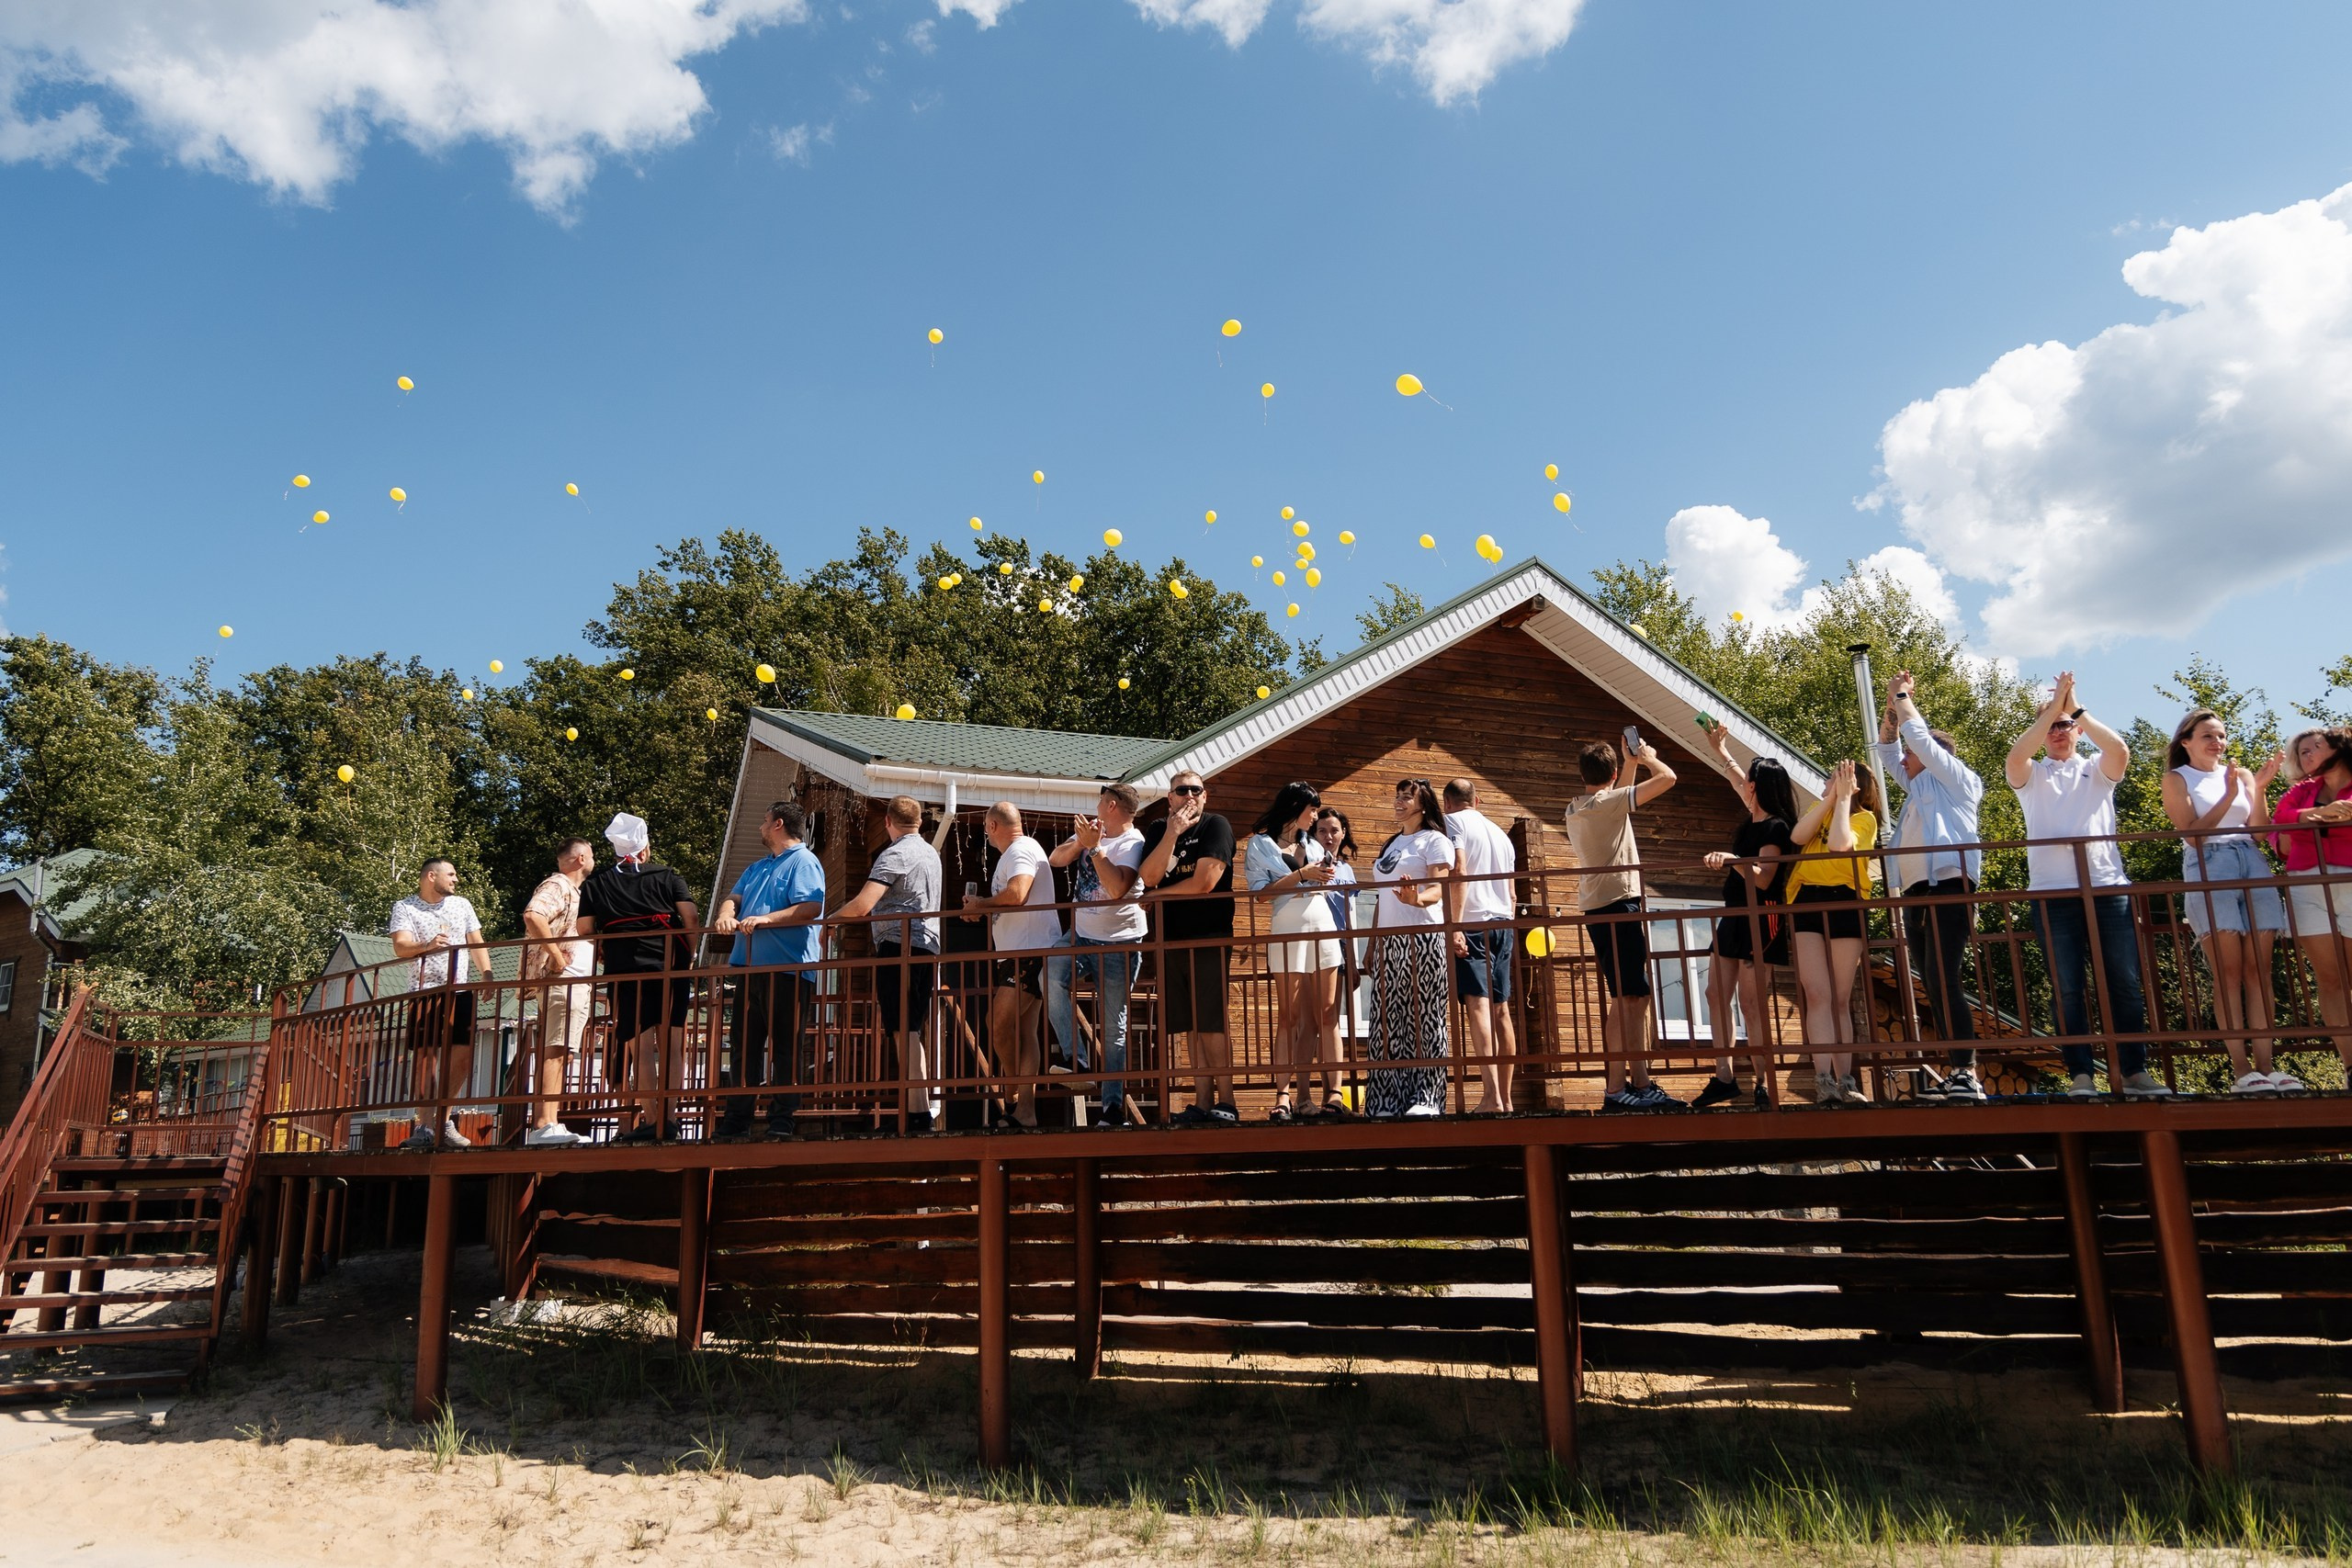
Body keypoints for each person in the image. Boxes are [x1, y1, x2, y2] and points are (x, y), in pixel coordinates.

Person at [2005, 673, 2171, 1100]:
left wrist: (2073, 705)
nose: (2058, 732)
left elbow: (2119, 749)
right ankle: (2081, 1075)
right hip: (2051, 893)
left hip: (2107, 889)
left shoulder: (2097, 770)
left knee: (2124, 982)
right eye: (2051, 726)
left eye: (2066, 725)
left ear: (2079, 729)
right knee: (2068, 988)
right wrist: (2049, 712)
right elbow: (2015, 756)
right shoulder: (2034, 776)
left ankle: (2135, 1071)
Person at [2165, 710, 2296, 1093]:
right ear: (2186, 741)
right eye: (2207, 735)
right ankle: (2242, 1071)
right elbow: (2192, 836)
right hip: (2210, 864)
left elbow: (2256, 832)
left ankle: (2268, 1069)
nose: (2217, 742)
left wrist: (2259, 788)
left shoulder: (2241, 776)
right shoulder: (2177, 778)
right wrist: (2227, 794)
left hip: (2251, 861)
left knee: (2260, 971)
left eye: (2221, 735)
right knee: (2230, 973)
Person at [1872, 671, 1988, 1100]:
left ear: (1935, 755)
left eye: (1913, 752)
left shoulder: (1959, 782)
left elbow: (1915, 739)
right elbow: (1887, 750)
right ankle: (1958, 1073)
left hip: (1949, 889)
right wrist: (1889, 709)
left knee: (1945, 977)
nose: (1905, 757)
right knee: (1933, 982)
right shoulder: (1917, 786)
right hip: (1919, 893)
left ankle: (1967, 1074)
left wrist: (1903, 696)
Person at [1561, 735, 1679, 1111]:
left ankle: (1637, 1083)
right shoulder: (1609, 802)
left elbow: (1618, 798)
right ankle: (1619, 1088)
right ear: (1611, 774)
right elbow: (1669, 778)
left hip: (1599, 907)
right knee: (1632, 996)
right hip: (1618, 904)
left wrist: (1626, 765)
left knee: (1628, 996)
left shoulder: (1578, 807)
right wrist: (1647, 759)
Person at [576, 813, 701, 1142]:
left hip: (623, 968)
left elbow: (585, 929)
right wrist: (688, 957)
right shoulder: (667, 876)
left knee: (640, 1046)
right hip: (668, 965)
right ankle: (670, 1120)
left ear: (616, 851)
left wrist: (604, 948)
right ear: (644, 849)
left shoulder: (595, 884)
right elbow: (690, 918)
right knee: (673, 1044)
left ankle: (650, 1119)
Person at [1693, 721, 1797, 1110]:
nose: (1744, 784)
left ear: (1759, 786)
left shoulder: (1776, 827)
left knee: (1752, 1003)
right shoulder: (1752, 814)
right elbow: (1735, 776)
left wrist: (1734, 860)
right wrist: (1719, 748)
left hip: (1761, 915)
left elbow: (1766, 879)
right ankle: (1724, 1077)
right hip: (1734, 913)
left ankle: (1764, 1082)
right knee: (1715, 993)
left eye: (1750, 781)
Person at [711, 802, 827, 1140]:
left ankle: (782, 1121)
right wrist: (725, 914)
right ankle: (737, 1120)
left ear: (778, 824)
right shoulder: (758, 866)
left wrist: (764, 919)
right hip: (749, 969)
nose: (760, 828)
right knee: (743, 1047)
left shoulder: (804, 861)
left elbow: (810, 907)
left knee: (785, 1048)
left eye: (764, 821)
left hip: (787, 970)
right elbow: (733, 897)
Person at [831, 795, 945, 1131]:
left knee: (902, 1029)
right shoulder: (931, 854)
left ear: (887, 822)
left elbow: (863, 905)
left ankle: (917, 1115)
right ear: (920, 822)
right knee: (910, 1031)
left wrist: (828, 923)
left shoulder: (894, 854)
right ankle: (918, 1111)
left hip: (898, 946)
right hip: (927, 946)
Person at [1045, 784, 1149, 1125]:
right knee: (1050, 976)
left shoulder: (1134, 842)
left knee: (1113, 1027)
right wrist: (1081, 844)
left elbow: (1118, 889)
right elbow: (1055, 859)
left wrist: (1097, 851)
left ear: (1112, 805)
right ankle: (1079, 1062)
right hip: (1080, 934)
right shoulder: (1094, 831)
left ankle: (1112, 1108)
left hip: (1119, 942)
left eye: (1100, 802)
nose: (1096, 806)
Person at [1139, 772, 1238, 1126]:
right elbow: (1149, 875)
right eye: (1182, 790)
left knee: (1211, 1022)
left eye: (1197, 790)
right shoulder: (1157, 830)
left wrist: (1157, 896)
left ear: (1205, 796)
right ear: (1170, 799)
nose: (1190, 796)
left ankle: (1227, 1102)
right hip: (1171, 939)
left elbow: (1205, 882)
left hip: (1209, 935)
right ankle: (1202, 1103)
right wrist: (1171, 832)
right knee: (1191, 1026)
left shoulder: (1217, 826)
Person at [1243, 782, 1342, 1122]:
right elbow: (1261, 894)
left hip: (1322, 922)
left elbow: (1324, 881)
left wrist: (1320, 876)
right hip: (1287, 927)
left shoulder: (1312, 844)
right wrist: (1301, 874)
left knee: (1328, 1013)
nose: (1315, 816)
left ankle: (1335, 1094)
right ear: (1295, 806)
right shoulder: (1259, 844)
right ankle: (1282, 1097)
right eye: (1312, 809)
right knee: (1289, 1016)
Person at [1783, 761, 1878, 1106]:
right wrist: (1829, 800)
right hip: (1808, 899)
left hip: (1845, 902)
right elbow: (1797, 836)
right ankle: (1823, 1079)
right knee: (1818, 994)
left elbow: (1840, 844)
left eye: (1834, 778)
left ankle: (1845, 1080)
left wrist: (1842, 802)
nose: (1827, 782)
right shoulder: (1818, 809)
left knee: (1839, 998)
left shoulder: (1864, 818)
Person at [964, 802, 1061, 1127]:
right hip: (1020, 952)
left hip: (1028, 952)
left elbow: (1018, 893)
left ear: (992, 826)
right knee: (1025, 1031)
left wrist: (982, 903)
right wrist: (983, 908)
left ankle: (1012, 1095)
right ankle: (1026, 1112)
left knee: (998, 1023)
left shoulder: (1020, 849)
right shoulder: (1022, 849)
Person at [390, 856, 495, 1151]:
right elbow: (400, 946)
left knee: (461, 1057)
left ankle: (443, 1123)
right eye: (451, 874)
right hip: (424, 991)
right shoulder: (405, 906)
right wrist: (426, 946)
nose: (456, 879)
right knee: (426, 1058)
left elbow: (476, 941)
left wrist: (486, 974)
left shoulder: (462, 905)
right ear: (431, 876)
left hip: (459, 991)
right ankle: (423, 1126)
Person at [1367, 778, 1455, 1118]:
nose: (1399, 801)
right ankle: (1386, 1101)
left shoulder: (1434, 840)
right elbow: (1381, 898)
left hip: (1423, 936)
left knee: (1425, 1017)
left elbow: (1439, 888)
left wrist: (1415, 899)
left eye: (1407, 797)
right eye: (1397, 795)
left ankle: (1427, 1098)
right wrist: (1372, 944)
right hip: (1389, 940)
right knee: (1388, 1021)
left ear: (1424, 804)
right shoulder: (1391, 844)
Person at [2272, 728, 2352, 1078]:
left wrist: (2309, 821)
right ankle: (2351, 1066)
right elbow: (2280, 821)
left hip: (2349, 881)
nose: (2306, 757)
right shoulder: (2302, 791)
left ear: (2339, 748)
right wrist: (2317, 815)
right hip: (2306, 885)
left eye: (2313, 748)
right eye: (2301, 752)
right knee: (2330, 980)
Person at [1442, 779, 1521, 1114]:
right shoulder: (1501, 835)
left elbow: (1458, 870)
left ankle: (1490, 1097)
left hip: (1472, 922)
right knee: (1502, 1010)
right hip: (1503, 921)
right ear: (1478, 799)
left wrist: (1455, 925)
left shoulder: (1451, 822)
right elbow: (1514, 892)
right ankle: (1506, 1097)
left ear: (1446, 803)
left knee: (1478, 1007)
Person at [519, 837, 595, 1146]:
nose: (594, 860)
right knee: (557, 1049)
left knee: (562, 1050)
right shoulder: (559, 884)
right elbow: (533, 914)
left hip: (571, 982)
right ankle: (542, 1124)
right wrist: (555, 955)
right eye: (590, 855)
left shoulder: (572, 890)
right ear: (579, 858)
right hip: (564, 981)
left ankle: (551, 1121)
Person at [1312, 807, 1361, 1116]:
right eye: (1322, 831)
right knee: (1311, 1022)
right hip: (1310, 943)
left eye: (1334, 830)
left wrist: (1353, 959)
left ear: (1343, 834)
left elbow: (1350, 919)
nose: (1328, 837)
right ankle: (1313, 1092)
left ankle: (1334, 1095)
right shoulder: (1309, 863)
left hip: (1339, 946)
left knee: (1330, 1019)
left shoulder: (1347, 870)